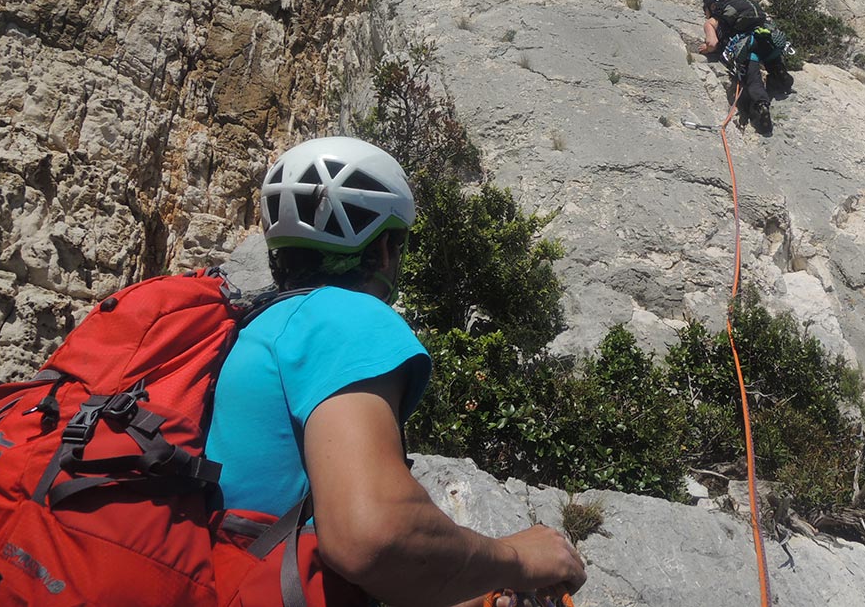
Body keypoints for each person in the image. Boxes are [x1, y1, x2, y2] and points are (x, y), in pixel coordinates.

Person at [205, 136, 586, 607]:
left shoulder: (252, 327)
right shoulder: (349, 316)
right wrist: (517, 558)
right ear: (384, 248)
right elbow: (372, 536)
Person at [697, 0, 793, 134]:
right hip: (764, 38)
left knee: (753, 77)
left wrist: (707, 48)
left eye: (705, 7)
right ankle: (779, 73)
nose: (704, 12)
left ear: (713, 5)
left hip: (748, 47)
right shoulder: (743, 13)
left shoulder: (713, 21)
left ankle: (760, 106)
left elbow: (712, 44)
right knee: (769, 57)